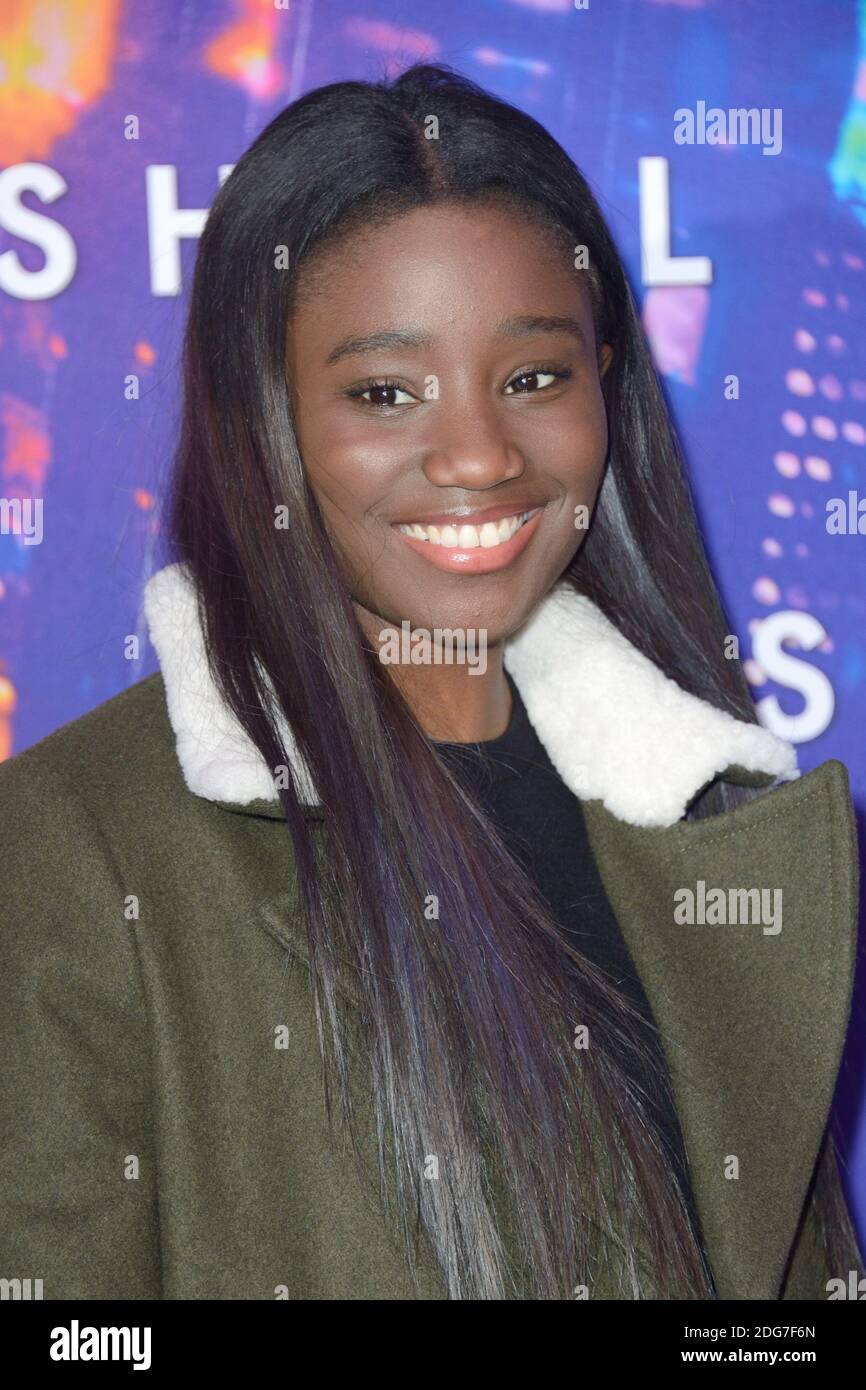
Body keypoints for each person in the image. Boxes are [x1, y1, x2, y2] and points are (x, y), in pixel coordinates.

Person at [0, 62, 862, 1302]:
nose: (476, 455)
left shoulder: (704, 812)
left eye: (531, 378)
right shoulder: (79, 851)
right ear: (265, 419)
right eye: (383, 393)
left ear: (605, 381)